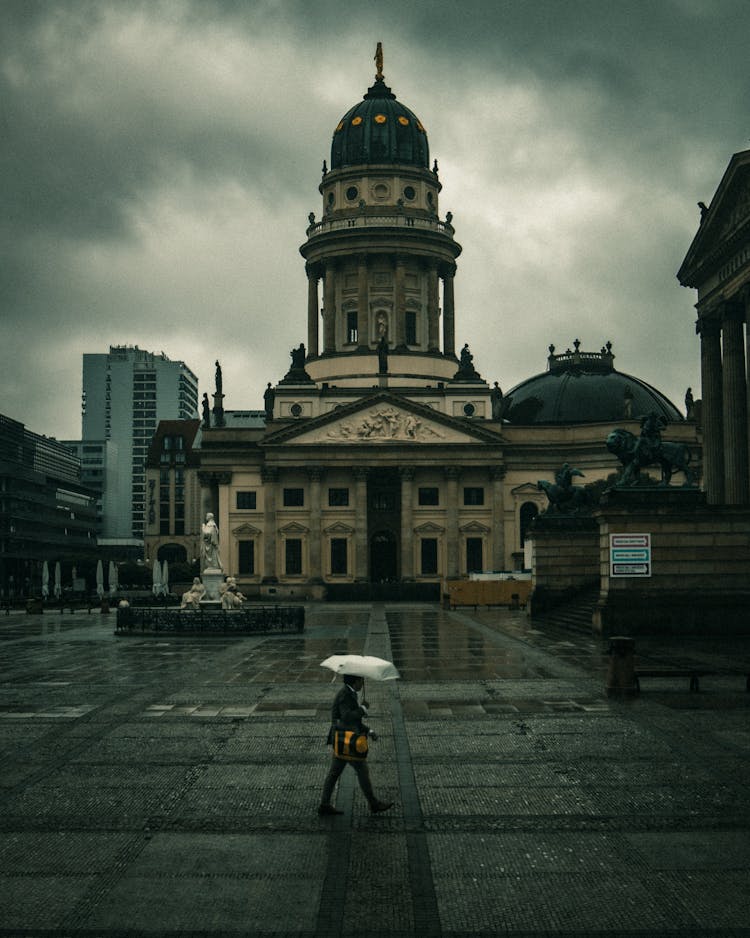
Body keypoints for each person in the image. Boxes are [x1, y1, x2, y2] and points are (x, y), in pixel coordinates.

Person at [318, 674, 393, 816]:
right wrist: (363, 709)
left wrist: (368, 730)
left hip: (343, 740)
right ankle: (373, 804)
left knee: (334, 773)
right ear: (355, 681)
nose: (363, 683)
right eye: (361, 681)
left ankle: (324, 805)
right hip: (346, 741)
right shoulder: (345, 695)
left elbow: (354, 721)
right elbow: (347, 717)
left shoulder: (349, 693)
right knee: (362, 770)